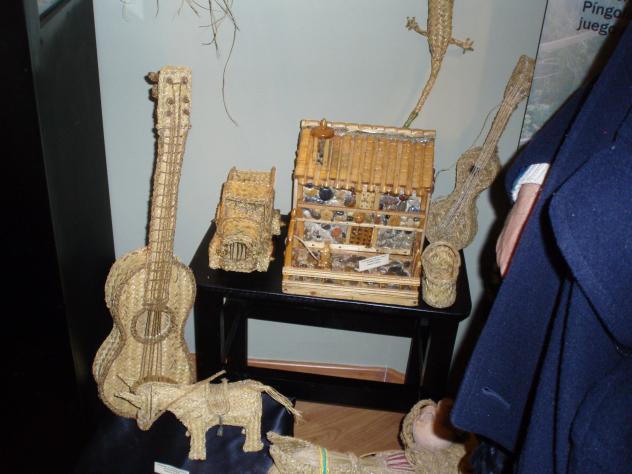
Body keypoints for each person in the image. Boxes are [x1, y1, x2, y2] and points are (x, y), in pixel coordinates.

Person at [450, 23, 632, 474]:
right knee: (527, 409)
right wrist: (537, 179)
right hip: (586, 226)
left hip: (611, 263)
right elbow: (617, 82)